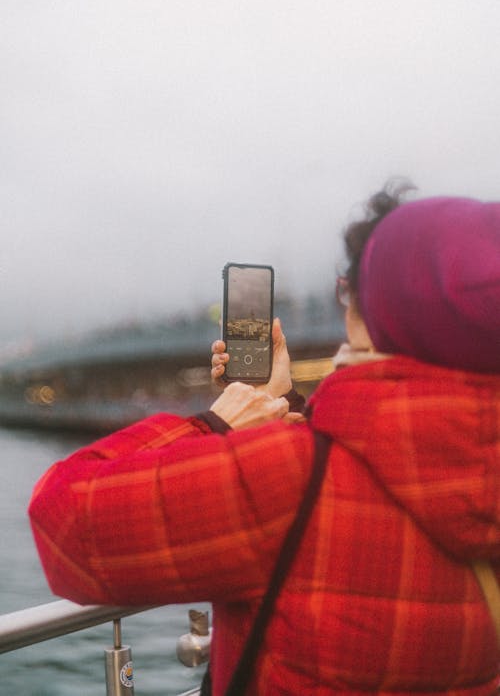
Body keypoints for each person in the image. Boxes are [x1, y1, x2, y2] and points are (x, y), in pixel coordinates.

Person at [29, 187, 500, 695]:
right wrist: (285, 406)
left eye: (351, 291)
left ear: (375, 312)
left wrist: (217, 425)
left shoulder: (288, 482)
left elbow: (65, 526)